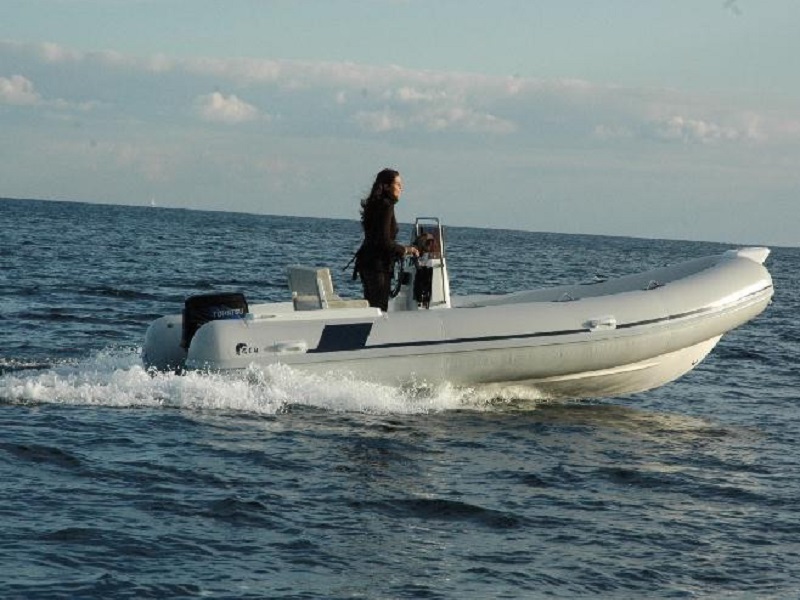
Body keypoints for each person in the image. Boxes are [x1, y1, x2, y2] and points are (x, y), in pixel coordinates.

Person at [354, 168, 419, 311]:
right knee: (379, 308)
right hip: (378, 267)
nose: (401, 188)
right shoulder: (386, 206)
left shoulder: (374, 205)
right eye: (398, 184)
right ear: (386, 186)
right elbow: (384, 241)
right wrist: (406, 250)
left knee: (371, 306)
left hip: (367, 263)